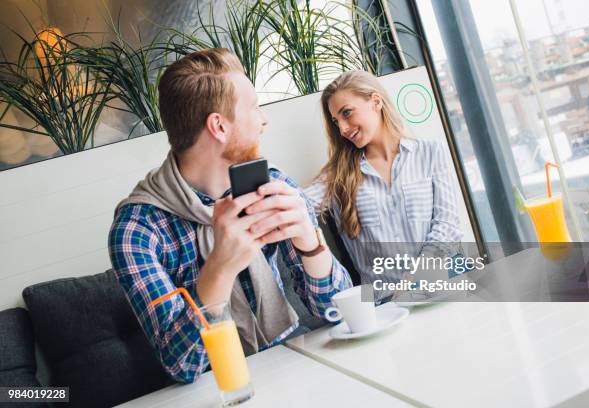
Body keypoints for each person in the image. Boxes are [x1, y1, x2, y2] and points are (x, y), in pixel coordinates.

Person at [108, 48, 351, 384]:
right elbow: (183, 365)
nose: (263, 120)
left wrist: (311, 244)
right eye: (253, 107)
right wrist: (220, 269)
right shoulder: (137, 230)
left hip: (296, 368)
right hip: (218, 390)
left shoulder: (275, 188)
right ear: (219, 126)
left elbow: (339, 311)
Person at [305, 70, 463, 284]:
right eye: (336, 121)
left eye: (347, 113)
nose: (342, 128)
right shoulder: (337, 175)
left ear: (375, 102)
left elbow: (448, 224)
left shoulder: (430, 152)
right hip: (386, 303)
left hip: (444, 280)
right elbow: (298, 206)